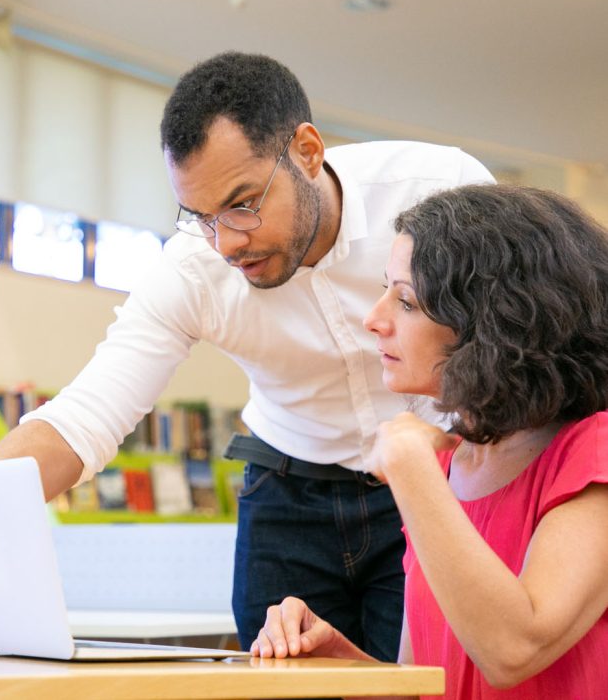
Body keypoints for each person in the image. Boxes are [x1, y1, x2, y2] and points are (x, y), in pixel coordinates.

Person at [0, 51, 494, 658]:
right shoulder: (193, 267)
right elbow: (83, 418)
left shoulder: (439, 192)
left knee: (428, 680)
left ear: (308, 151)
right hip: (286, 489)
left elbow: (514, 350)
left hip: (435, 474)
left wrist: (457, 440)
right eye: (201, 216)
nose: (227, 243)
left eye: (244, 203)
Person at [252, 184, 608, 699]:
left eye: (407, 301)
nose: (374, 320)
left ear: (489, 325)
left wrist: (410, 468)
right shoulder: (444, 469)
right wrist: (337, 660)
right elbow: (422, 682)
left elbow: (514, 650)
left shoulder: (592, 453)